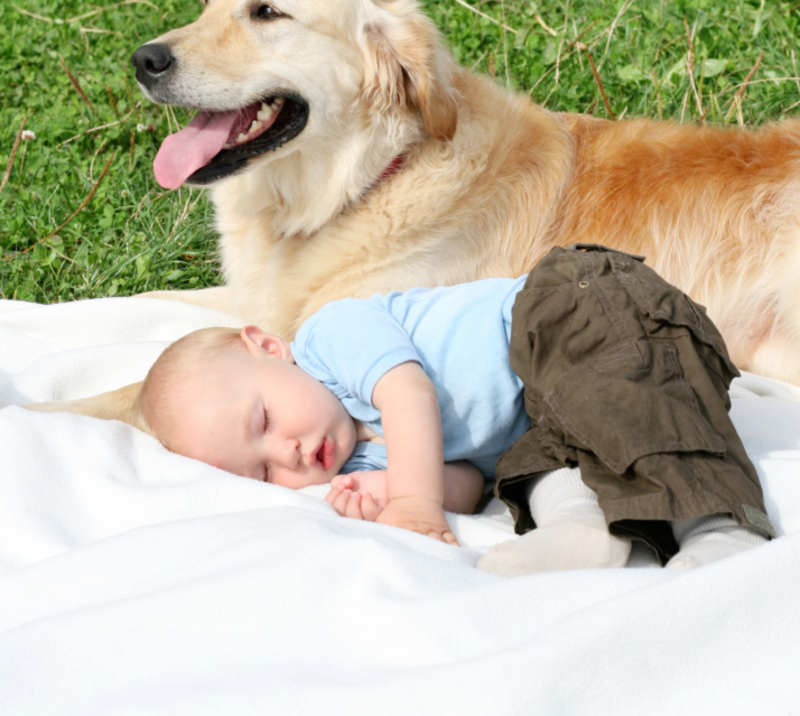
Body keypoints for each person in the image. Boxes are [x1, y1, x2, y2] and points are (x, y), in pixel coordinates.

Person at [135, 244, 775, 574]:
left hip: (575, 309)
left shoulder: (330, 341)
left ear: (269, 347)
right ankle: (585, 531)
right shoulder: (353, 455)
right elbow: (471, 485)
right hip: (545, 410)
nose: (290, 454)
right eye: (265, 472)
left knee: (624, 403)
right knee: (531, 468)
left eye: (264, 423)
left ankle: (721, 528)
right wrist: (393, 486)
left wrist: (411, 501)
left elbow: (408, 394)